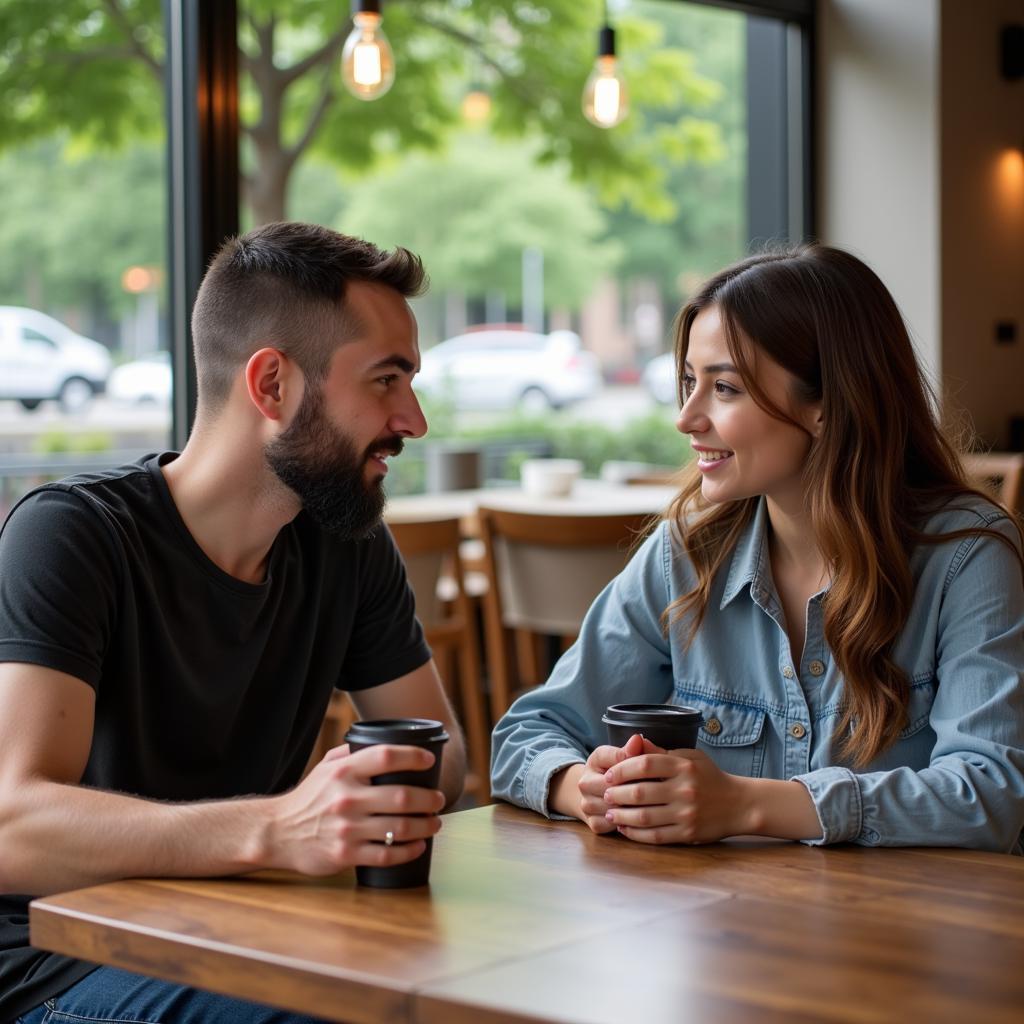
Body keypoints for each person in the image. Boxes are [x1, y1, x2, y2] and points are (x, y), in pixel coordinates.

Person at [0, 222, 467, 1023]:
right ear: (273, 386)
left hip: (248, 931)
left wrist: (357, 801)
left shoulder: (346, 545)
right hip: (62, 965)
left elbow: (445, 758)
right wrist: (280, 829)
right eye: (386, 380)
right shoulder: (73, 534)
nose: (414, 420)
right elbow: (11, 824)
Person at [491, 243, 1024, 854]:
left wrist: (744, 804)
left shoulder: (966, 556)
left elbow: (993, 794)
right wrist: (587, 787)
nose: (686, 418)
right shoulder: (687, 552)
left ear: (827, 405)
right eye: (689, 382)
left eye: (724, 388)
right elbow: (525, 736)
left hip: (900, 935)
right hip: (730, 932)